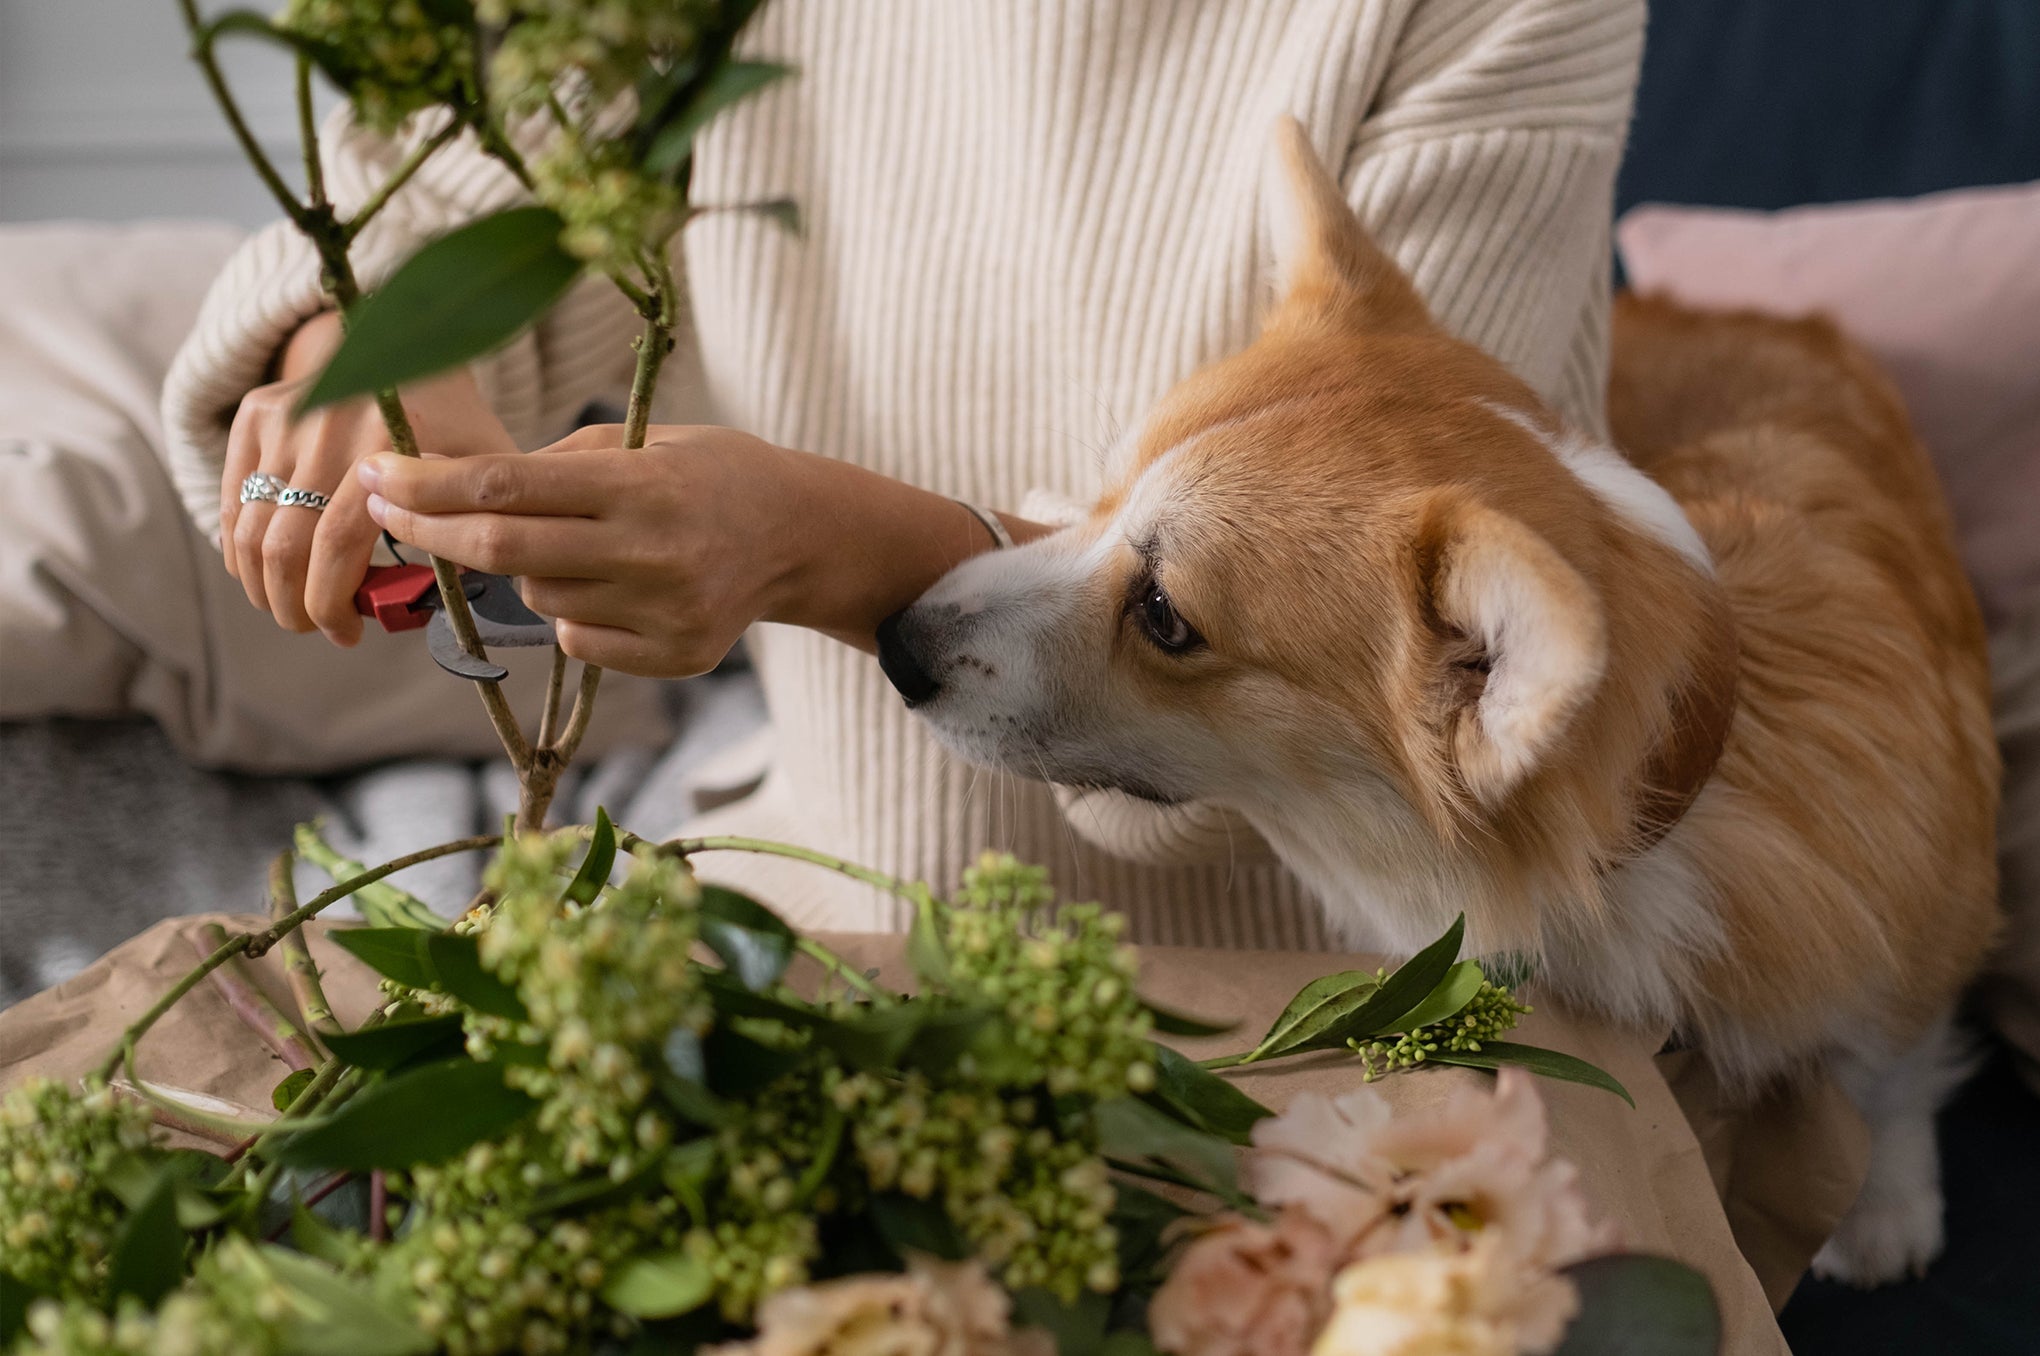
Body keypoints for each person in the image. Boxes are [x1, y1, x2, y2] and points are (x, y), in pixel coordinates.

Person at [166, 0, 1645, 942]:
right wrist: (367, 343)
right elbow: (467, 202)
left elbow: (1390, 737)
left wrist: (837, 554)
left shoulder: (1501, 16)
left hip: (1333, 1012)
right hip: (828, 904)